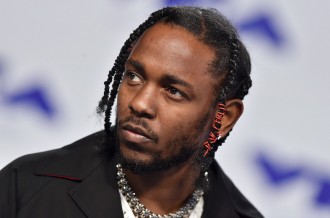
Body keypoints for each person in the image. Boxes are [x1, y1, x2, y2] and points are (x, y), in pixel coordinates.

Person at [0, 6, 263, 218]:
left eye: (173, 91)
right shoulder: (26, 188)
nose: (140, 103)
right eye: (134, 76)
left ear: (224, 118)